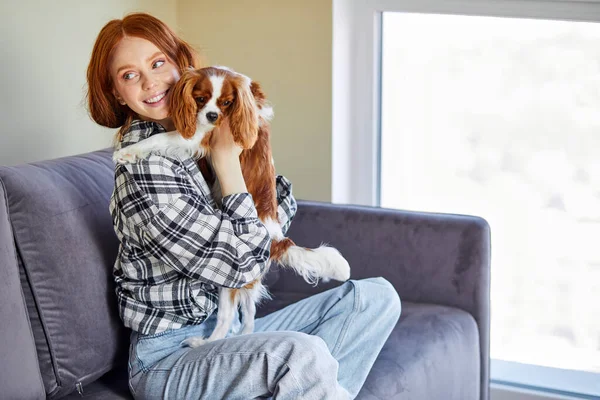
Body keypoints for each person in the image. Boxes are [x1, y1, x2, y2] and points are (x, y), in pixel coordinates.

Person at [86, 12, 401, 400]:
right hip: (170, 359)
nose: (150, 82)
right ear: (117, 93)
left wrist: (245, 200)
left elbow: (278, 201)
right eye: (129, 75)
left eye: (157, 63)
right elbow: (242, 266)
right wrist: (228, 164)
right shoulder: (144, 167)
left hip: (230, 331)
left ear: (179, 64)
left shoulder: (195, 129)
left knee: (374, 299)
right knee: (301, 355)